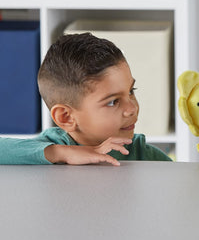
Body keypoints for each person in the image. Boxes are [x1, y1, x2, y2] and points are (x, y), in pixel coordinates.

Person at [0, 32, 172, 165]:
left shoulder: (143, 154)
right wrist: (62, 154)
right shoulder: (51, 147)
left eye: (131, 91)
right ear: (66, 117)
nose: (132, 109)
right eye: (113, 102)